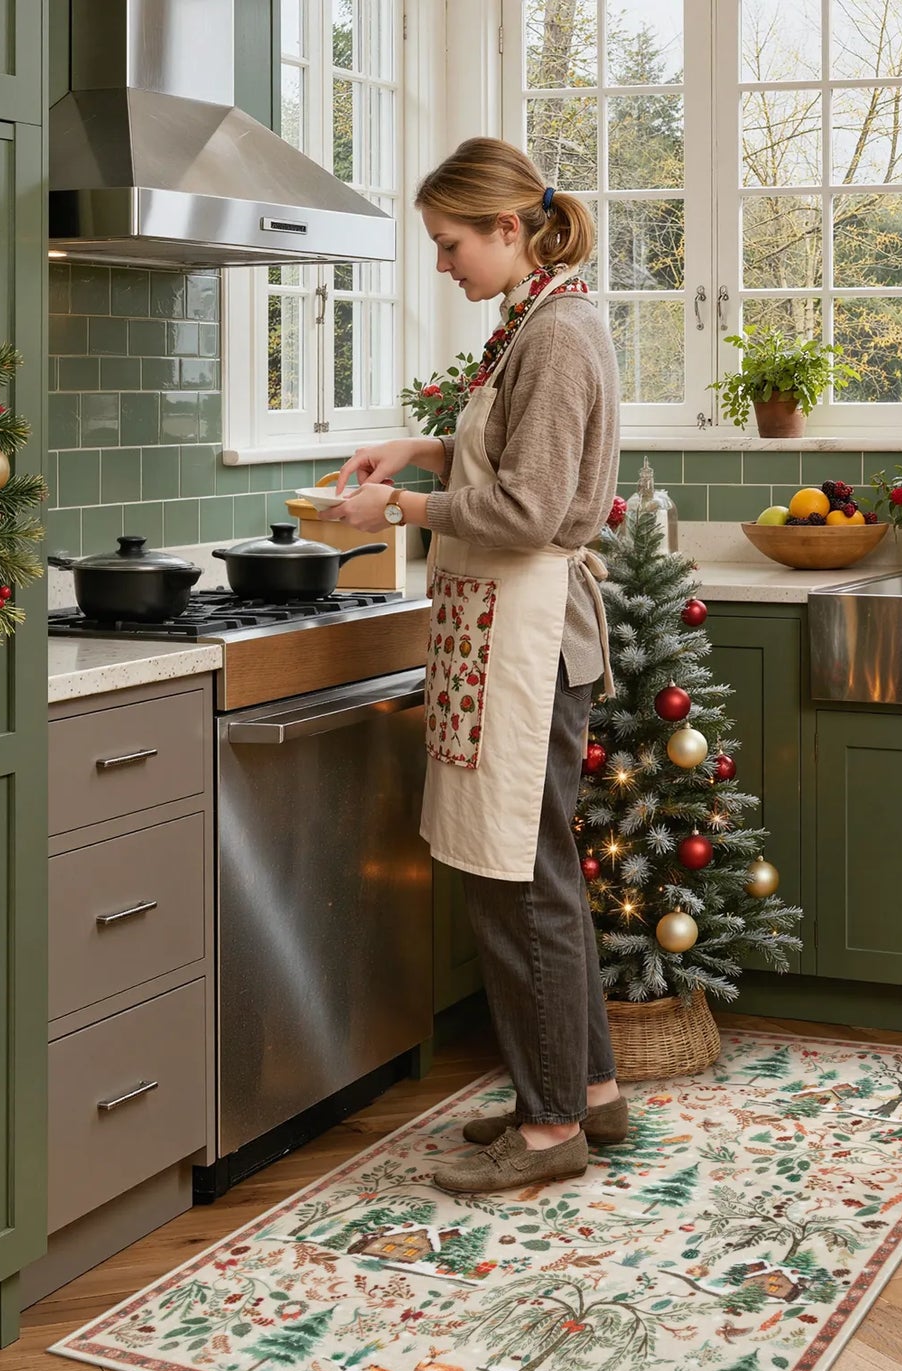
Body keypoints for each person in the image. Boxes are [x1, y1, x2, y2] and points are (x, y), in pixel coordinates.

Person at [329, 136, 627, 1194]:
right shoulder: (537, 319)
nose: (445, 265)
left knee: (516, 879)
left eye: (451, 244)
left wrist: (396, 509)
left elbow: (529, 508)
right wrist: (414, 451)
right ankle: (582, 1089)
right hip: (516, 629)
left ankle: (549, 1130)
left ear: (507, 229)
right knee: (533, 868)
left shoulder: (555, 333)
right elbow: (509, 461)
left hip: (533, 633)